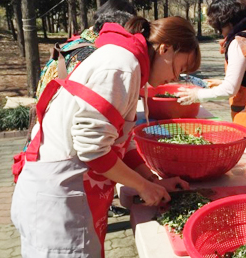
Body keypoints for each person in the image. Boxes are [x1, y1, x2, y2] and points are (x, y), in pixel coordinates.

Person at [11, 16, 201, 257]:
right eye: (179, 68)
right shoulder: (122, 66)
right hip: (58, 200)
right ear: (166, 48)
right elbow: (92, 148)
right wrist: (143, 187)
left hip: (73, 195)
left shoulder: (131, 64)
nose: (175, 78)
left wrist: (152, 180)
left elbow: (120, 138)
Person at [176, 0, 246, 157]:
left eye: (220, 26)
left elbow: (230, 89)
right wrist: (219, 82)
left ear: (227, 21)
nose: (220, 32)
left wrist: (196, 95)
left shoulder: (239, 42)